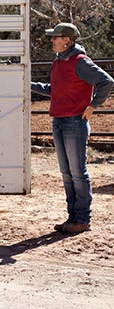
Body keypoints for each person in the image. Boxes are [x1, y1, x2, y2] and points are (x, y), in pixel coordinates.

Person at [31, 22, 114, 234]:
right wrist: (28, 84)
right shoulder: (59, 61)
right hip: (59, 120)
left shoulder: (80, 61)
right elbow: (53, 89)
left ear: (66, 40)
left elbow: (106, 81)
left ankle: (83, 219)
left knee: (77, 173)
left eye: (55, 37)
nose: (52, 40)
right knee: (67, 173)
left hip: (74, 123)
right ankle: (73, 218)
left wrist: (93, 106)